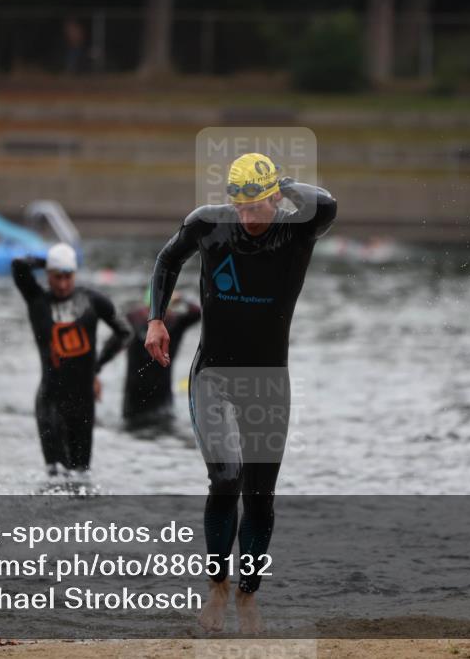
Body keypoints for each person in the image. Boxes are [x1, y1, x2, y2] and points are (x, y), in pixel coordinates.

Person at [145, 153, 336, 634]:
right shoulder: (209, 224)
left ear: (274, 198)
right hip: (212, 376)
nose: (248, 217)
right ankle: (217, 586)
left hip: (269, 382)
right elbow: (168, 258)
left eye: (257, 205)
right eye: (240, 207)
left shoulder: (297, 232)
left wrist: (281, 182)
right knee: (226, 477)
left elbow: (328, 203)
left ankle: (248, 595)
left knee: (260, 496)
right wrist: (156, 319)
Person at [11, 243, 132, 476]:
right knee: (57, 474)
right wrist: (49, 260)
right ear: (48, 275)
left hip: (84, 402)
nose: (63, 284)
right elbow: (18, 265)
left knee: (81, 476)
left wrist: (97, 367)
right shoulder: (37, 299)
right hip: (50, 401)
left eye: (68, 276)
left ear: (75, 274)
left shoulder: (93, 300)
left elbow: (125, 332)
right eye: (57, 277)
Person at [122, 289, 200, 430]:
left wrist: (181, 297)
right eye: (149, 311)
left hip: (160, 393)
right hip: (135, 394)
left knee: (162, 424)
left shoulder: (175, 322)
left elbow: (198, 312)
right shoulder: (133, 319)